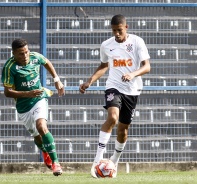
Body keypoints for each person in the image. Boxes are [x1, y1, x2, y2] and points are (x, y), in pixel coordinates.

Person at [79, 14, 151, 178]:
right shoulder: (106, 45)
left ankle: (114, 161)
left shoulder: (137, 42)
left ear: (126, 27)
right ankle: (97, 161)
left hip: (132, 90)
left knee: (123, 131)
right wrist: (89, 81)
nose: (116, 34)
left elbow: (147, 67)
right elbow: (104, 65)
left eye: (119, 30)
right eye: (113, 31)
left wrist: (133, 74)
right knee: (112, 118)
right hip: (114, 87)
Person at [1, 38, 65, 176]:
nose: (25, 56)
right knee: (37, 136)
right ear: (13, 54)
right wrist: (27, 93)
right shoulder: (9, 67)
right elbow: (7, 92)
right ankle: (44, 151)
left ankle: (56, 163)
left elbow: (46, 62)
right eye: (20, 54)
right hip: (23, 106)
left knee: (41, 126)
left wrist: (57, 79)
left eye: (26, 52)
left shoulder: (35, 57)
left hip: (39, 98)